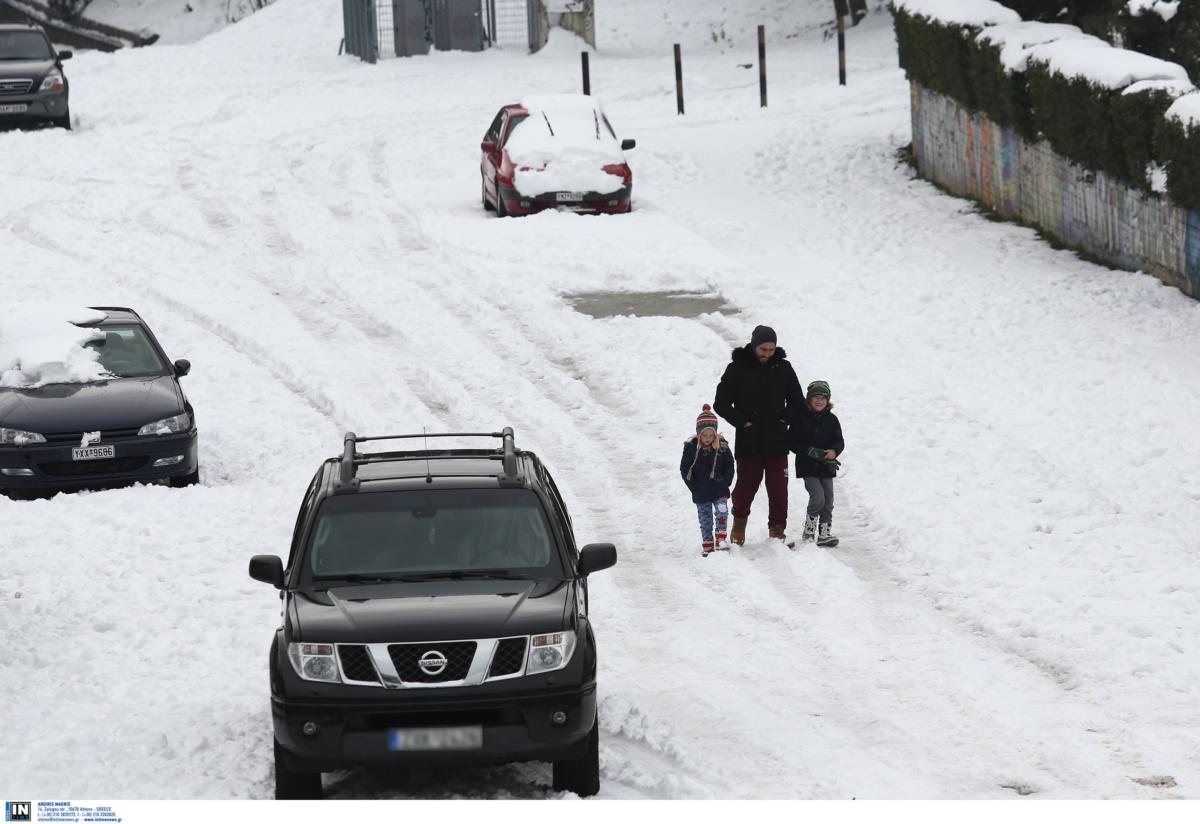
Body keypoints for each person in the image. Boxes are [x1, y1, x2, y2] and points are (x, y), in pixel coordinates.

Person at [713, 325, 805, 546]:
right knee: (745, 488)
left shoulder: (784, 368)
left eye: (771, 350)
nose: (767, 354)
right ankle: (739, 525)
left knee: (778, 490)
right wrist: (743, 422)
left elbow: (797, 400)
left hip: (777, 441)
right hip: (749, 440)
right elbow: (721, 403)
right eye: (763, 349)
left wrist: (785, 420)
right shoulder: (737, 369)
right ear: (754, 346)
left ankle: (777, 530)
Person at [791, 380, 844, 547]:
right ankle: (808, 531)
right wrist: (807, 451)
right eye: (816, 397)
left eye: (823, 397)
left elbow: (839, 440)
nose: (819, 401)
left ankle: (824, 533)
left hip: (826, 467)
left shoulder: (832, 420)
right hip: (808, 466)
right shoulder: (800, 419)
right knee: (818, 497)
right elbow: (791, 441)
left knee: (828, 500)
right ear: (809, 399)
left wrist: (834, 451)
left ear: (828, 400)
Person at [680, 405, 735, 555]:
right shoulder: (692, 449)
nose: (708, 439)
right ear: (699, 434)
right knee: (705, 519)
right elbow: (684, 469)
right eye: (705, 436)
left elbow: (730, 465)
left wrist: (726, 482)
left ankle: (721, 538)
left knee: (722, 512)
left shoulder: (722, 447)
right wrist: (695, 487)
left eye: (711, 435)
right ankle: (708, 543)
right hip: (701, 491)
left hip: (720, 489)